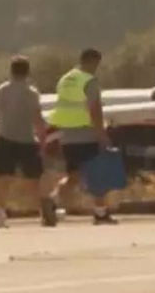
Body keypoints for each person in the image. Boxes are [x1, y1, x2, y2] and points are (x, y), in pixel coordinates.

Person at [48, 48, 117, 225]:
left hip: (67, 135)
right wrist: (102, 135)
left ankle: (53, 199)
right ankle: (101, 213)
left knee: (73, 175)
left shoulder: (65, 79)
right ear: (93, 62)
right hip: (86, 133)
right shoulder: (89, 81)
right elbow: (95, 109)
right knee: (96, 175)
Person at [0, 55, 54, 228]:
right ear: (27, 71)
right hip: (26, 139)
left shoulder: (1, 90)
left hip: (5, 138)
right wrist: (43, 139)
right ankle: (44, 212)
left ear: (11, 70)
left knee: (3, 178)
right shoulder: (32, 93)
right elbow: (37, 118)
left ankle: (0, 214)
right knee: (35, 179)